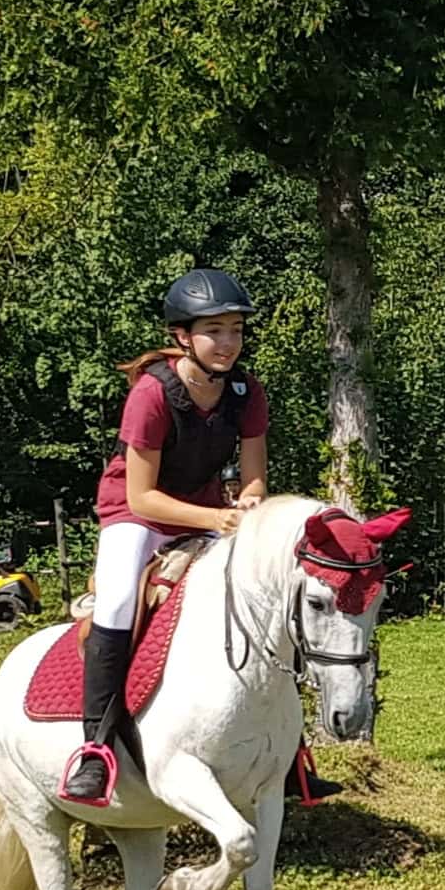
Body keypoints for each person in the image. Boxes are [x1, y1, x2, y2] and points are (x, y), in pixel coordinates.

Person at [62, 267, 339, 807]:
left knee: (270, 596)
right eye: (215, 331)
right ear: (182, 336)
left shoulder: (245, 392)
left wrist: (251, 504)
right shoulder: (151, 394)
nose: (229, 343)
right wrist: (217, 518)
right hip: (135, 517)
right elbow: (143, 497)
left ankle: (291, 755)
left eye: (236, 330)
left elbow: (254, 477)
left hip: (211, 511)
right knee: (117, 602)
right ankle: (96, 749)